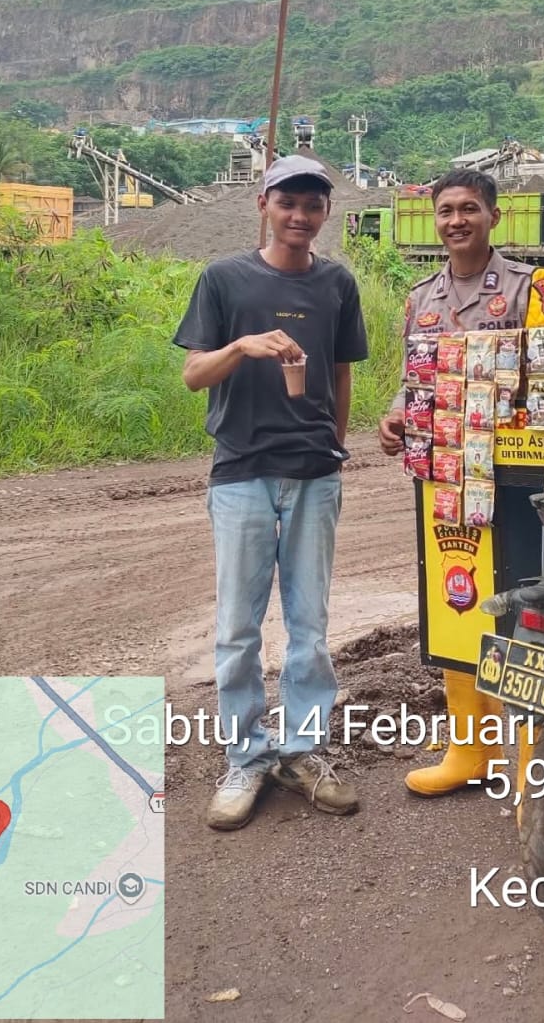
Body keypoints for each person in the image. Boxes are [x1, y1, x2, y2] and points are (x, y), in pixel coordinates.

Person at [174, 154, 369, 830]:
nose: (300, 216)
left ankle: (303, 752)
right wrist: (243, 347)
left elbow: (340, 374)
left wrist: (335, 447)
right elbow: (193, 374)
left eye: (313, 205)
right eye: (288, 202)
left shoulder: (337, 283)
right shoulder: (224, 279)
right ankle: (246, 758)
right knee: (238, 627)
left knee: (310, 626)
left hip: (315, 474)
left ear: (325, 213)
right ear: (263, 203)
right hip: (241, 472)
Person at [378, 167, 544, 796]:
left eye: (468, 209)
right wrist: (399, 417)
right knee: (455, 599)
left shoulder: (531, 286)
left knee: (524, 606)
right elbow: (414, 381)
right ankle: (471, 750)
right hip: (445, 476)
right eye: (446, 211)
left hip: (515, 476)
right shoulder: (420, 298)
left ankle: (533, 765)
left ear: (494, 216)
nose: (456, 221)